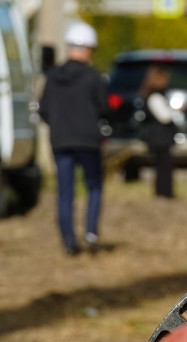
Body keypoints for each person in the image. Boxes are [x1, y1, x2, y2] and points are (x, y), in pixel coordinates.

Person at [39, 22, 106, 256]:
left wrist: (59, 126)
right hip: (88, 141)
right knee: (94, 185)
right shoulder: (93, 77)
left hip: (60, 140)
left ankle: (68, 241)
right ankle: (90, 232)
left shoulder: (52, 76)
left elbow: (43, 110)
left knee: (65, 191)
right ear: (87, 48)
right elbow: (104, 108)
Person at [138, 65, 179, 198]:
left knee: (162, 166)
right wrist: (175, 112)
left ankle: (163, 191)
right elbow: (164, 117)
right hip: (159, 138)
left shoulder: (153, 96)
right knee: (164, 166)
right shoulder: (155, 97)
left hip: (158, 138)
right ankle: (164, 192)